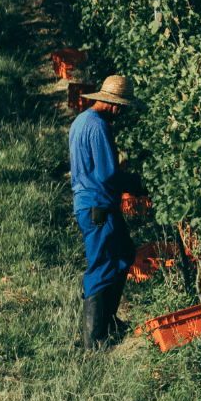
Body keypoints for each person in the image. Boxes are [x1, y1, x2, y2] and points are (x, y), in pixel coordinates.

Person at [69, 75, 142, 352]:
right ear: (114, 104)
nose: (122, 112)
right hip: (97, 205)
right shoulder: (99, 127)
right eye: (121, 106)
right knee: (101, 266)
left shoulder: (81, 120)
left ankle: (107, 321)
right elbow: (108, 174)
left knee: (124, 253)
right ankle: (95, 340)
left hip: (90, 202)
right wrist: (135, 182)